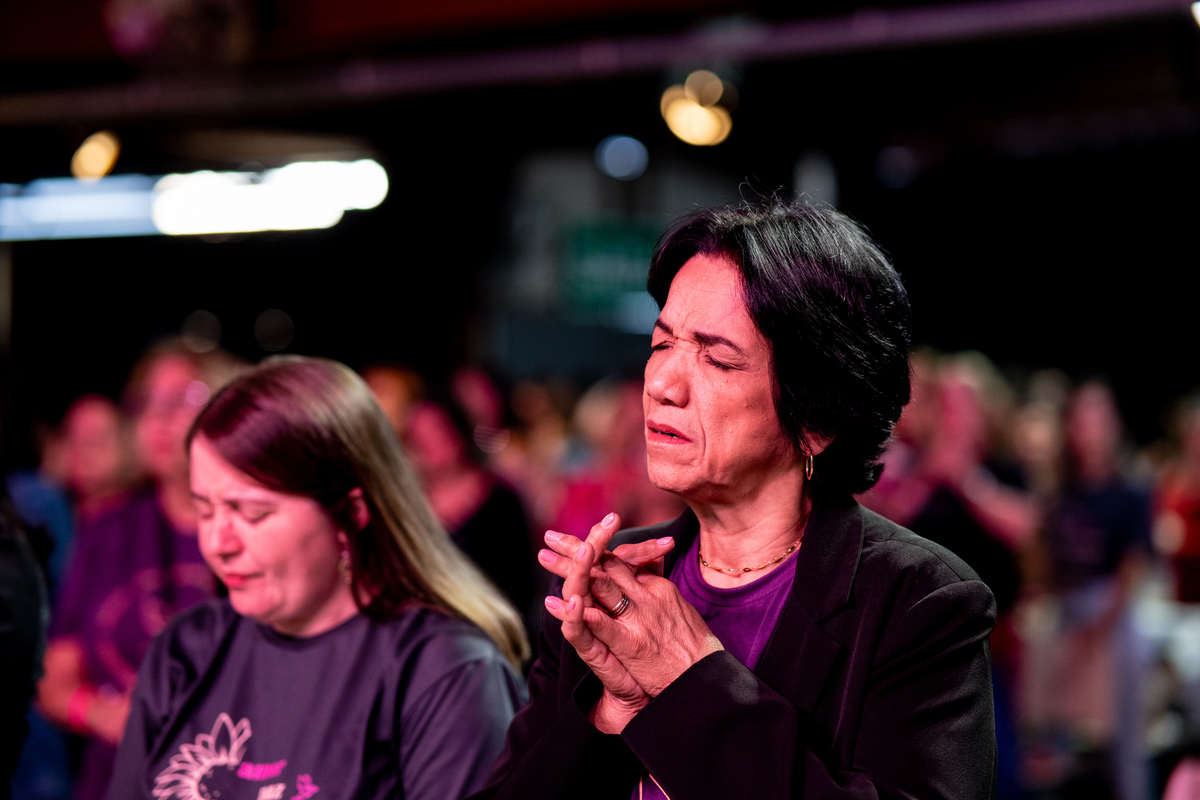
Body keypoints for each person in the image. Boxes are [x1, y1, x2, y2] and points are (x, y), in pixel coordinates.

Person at [477, 201, 997, 800]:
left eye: (717, 358)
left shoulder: (920, 600)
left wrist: (689, 681)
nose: (661, 385)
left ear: (818, 417)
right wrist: (607, 714)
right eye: (661, 344)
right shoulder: (611, 582)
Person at [107, 356, 527, 800]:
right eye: (204, 509)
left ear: (351, 513)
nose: (217, 543)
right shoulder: (186, 649)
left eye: (253, 513)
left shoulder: (443, 670)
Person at [39, 340, 240, 800]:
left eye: (181, 400)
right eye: (147, 402)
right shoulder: (110, 527)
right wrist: (103, 714)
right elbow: (54, 676)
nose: (158, 418)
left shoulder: (245, 526)